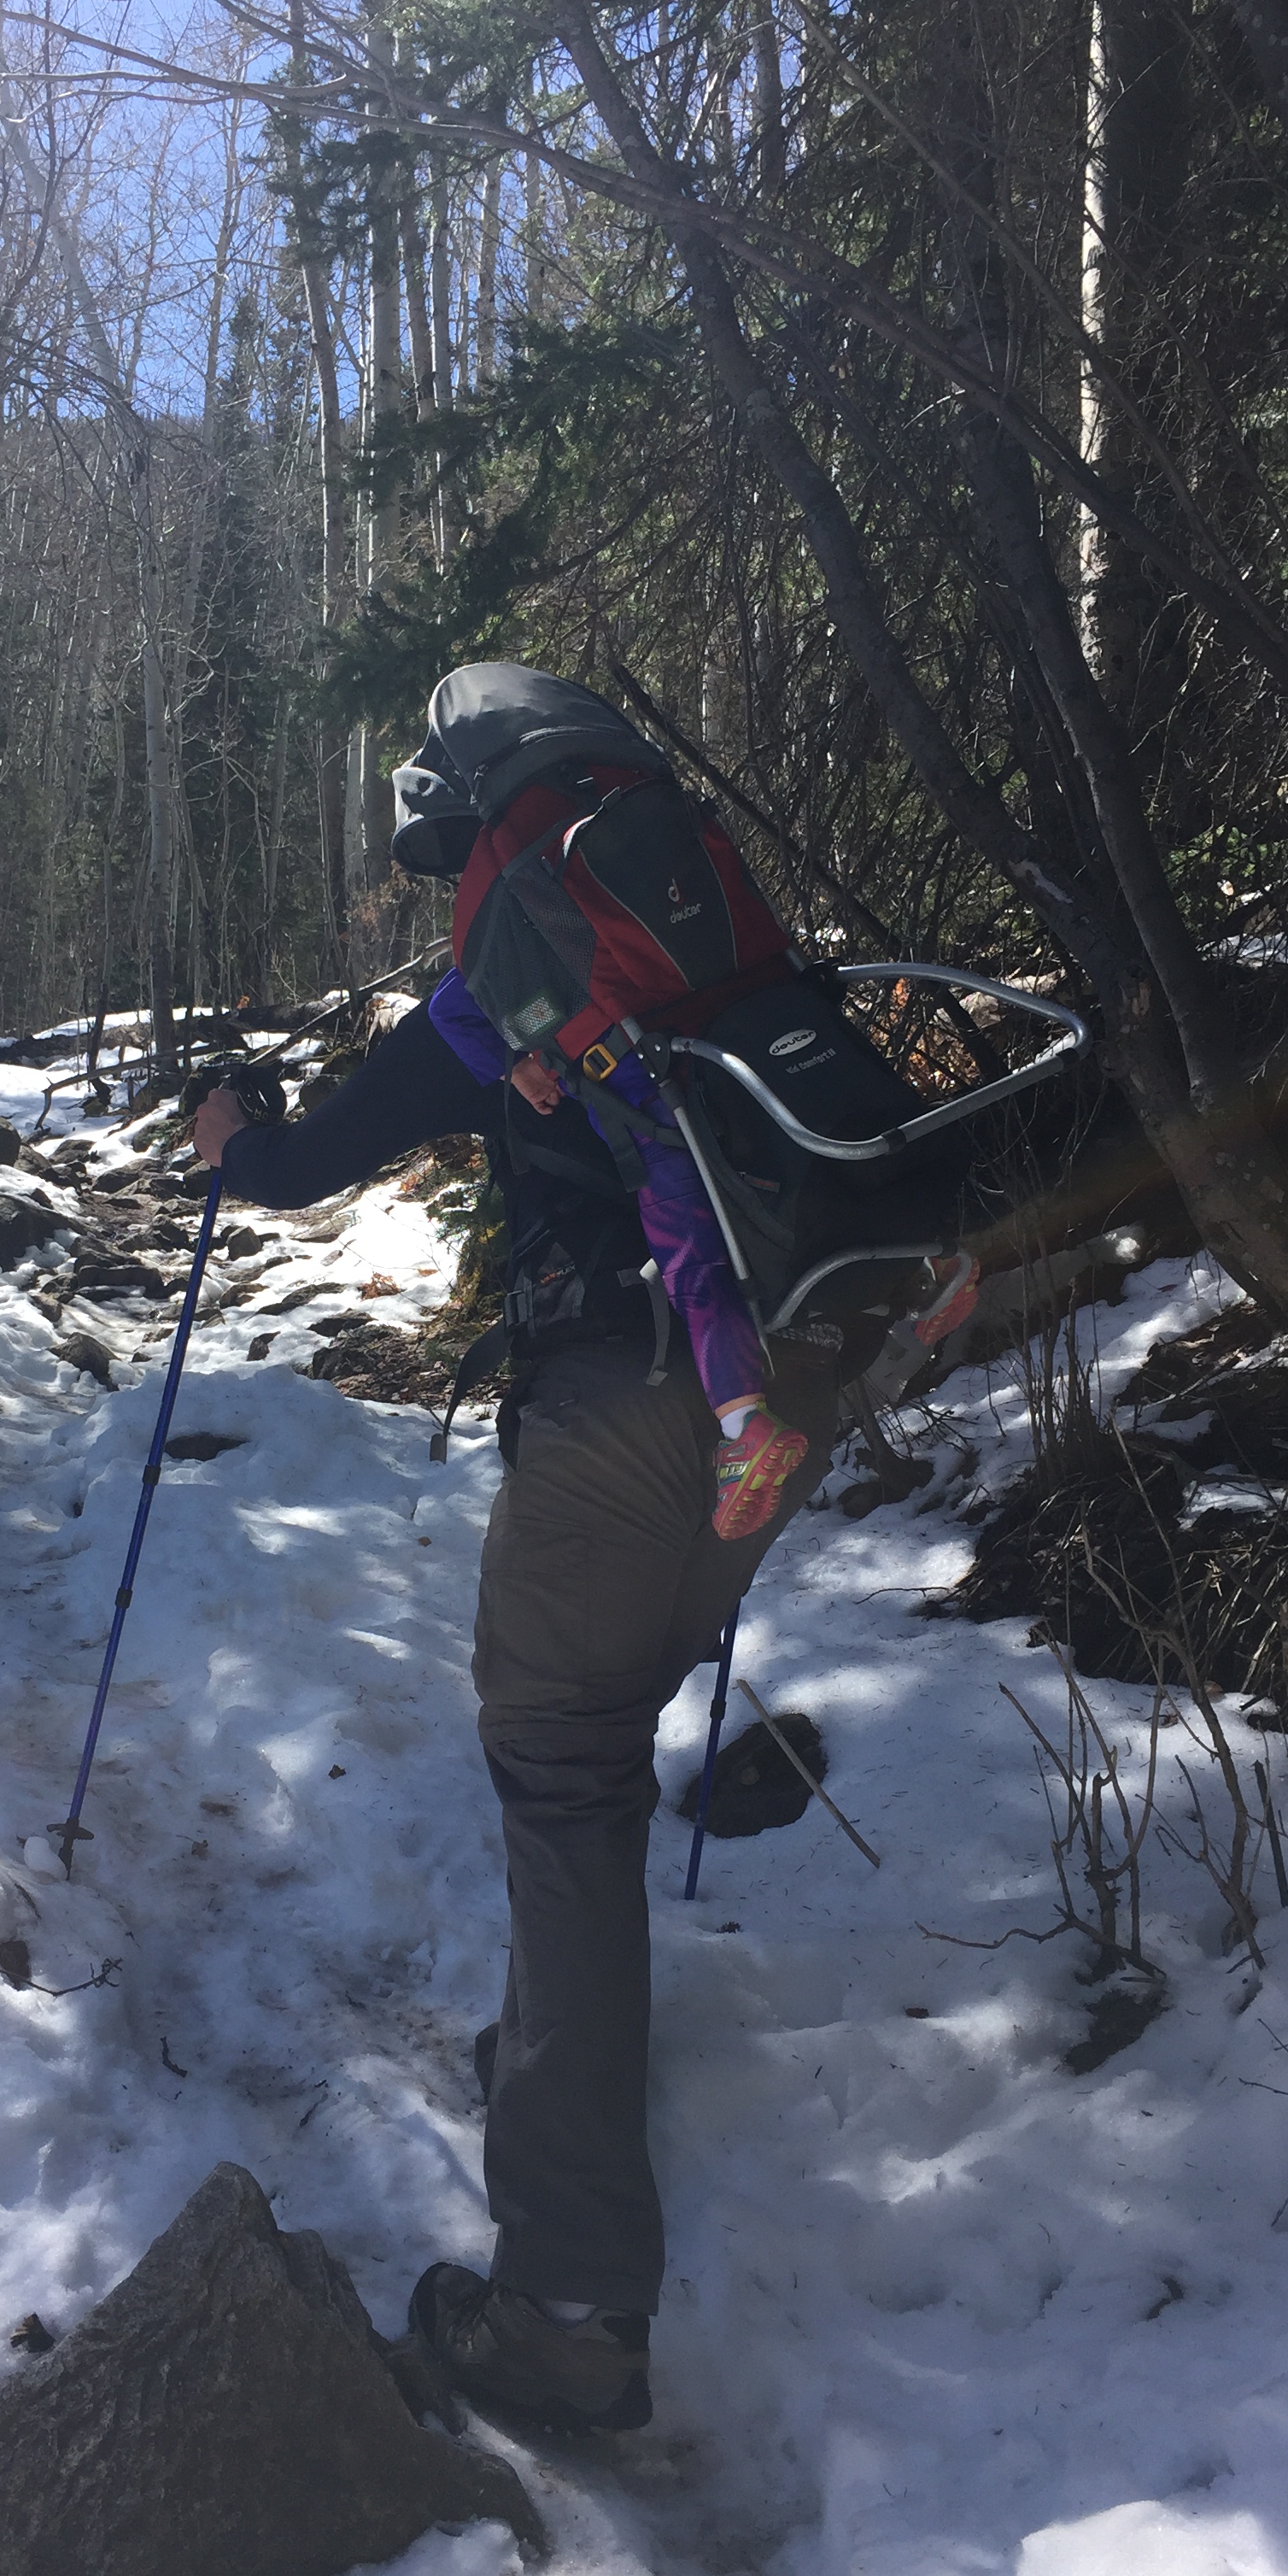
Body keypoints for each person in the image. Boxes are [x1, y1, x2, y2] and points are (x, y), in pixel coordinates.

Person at [191, 970, 841, 2432]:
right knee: (591, 1744)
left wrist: (232, 1133)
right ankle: (560, 2063)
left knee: (559, 1768)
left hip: (620, 1378)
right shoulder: (716, 941)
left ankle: (565, 2312)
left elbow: (299, 1164)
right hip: (787, 1387)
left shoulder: (513, 977)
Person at [424, 966, 811, 1541]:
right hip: (744, 1053)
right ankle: (929, 1264)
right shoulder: (644, 884)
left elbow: (449, 1009)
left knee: (695, 1266)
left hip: (646, 1098)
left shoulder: (523, 924)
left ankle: (744, 1426)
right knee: (802, 1183)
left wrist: (522, 1067)